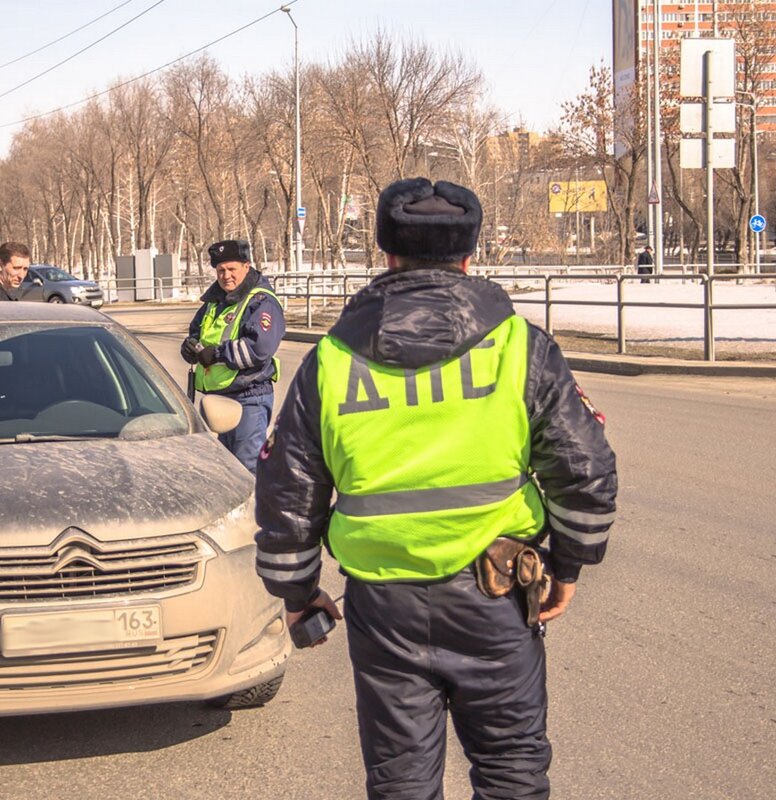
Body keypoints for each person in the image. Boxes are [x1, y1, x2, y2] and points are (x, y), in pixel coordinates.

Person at [254, 178, 618, 800]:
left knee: (401, 783)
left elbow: (288, 489)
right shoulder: (517, 347)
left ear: (387, 256)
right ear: (469, 256)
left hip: (384, 607)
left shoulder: (331, 361)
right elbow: (585, 471)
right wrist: (569, 566)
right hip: (497, 597)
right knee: (511, 773)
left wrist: (296, 592)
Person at [181, 238, 285, 474]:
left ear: (246, 266)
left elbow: (259, 349)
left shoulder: (261, 301)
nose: (226, 276)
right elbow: (197, 333)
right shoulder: (214, 301)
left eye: (231, 269)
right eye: (220, 270)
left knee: (245, 472)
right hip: (214, 402)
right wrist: (190, 347)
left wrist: (215, 354)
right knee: (222, 473)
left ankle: (255, 513)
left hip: (247, 399)